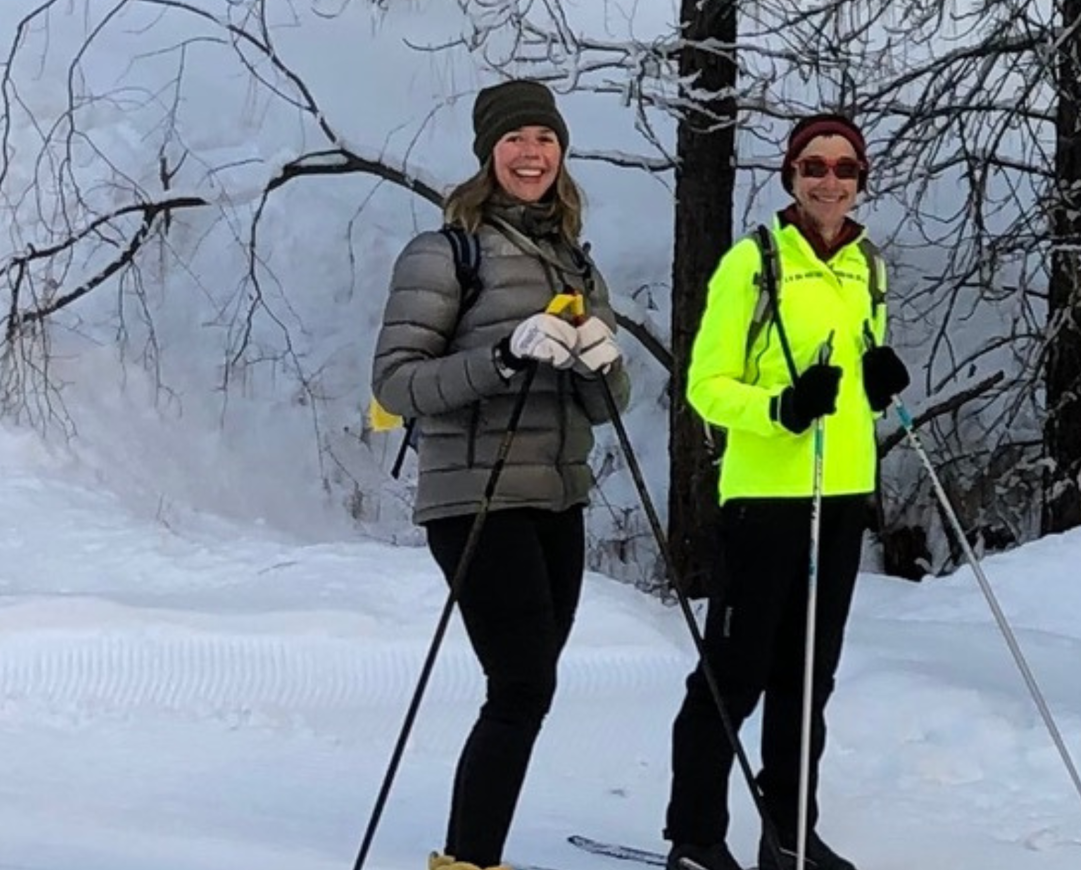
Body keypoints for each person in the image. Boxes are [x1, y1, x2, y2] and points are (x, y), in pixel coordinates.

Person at [372, 78, 633, 870]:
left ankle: (473, 854)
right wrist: (503, 356)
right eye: (517, 140)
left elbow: (604, 404)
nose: (533, 154)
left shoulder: (576, 262)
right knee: (520, 686)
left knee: (531, 689)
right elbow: (397, 384)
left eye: (546, 140)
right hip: (474, 497)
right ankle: (467, 860)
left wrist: (600, 363)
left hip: (558, 497)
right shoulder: (444, 251)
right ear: (489, 153)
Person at [663, 112, 912, 870]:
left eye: (844, 168)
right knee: (735, 675)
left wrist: (878, 388)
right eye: (814, 166)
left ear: (861, 179)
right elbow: (705, 387)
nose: (829, 181)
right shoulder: (756, 261)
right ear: (790, 176)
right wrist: (779, 409)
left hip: (840, 495)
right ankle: (696, 839)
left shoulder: (868, 265)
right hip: (767, 496)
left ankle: (790, 836)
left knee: (808, 679)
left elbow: (861, 378)